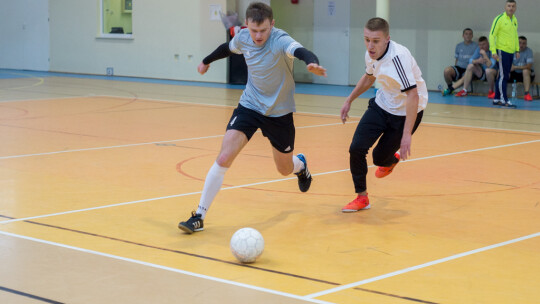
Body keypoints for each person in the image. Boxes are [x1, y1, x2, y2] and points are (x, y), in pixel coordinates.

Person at [178, 2, 327, 233]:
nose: (258, 36)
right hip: (250, 105)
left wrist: (311, 62)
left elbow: (301, 51)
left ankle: (301, 166)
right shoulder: (243, 37)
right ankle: (199, 216)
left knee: (284, 169)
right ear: (246, 25)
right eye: (254, 30)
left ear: (272, 25)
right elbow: (226, 48)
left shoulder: (280, 40)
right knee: (225, 154)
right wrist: (206, 61)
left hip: (279, 113)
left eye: (264, 30)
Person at [340, 17, 427, 212]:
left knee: (379, 158)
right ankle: (362, 198)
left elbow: (412, 95)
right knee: (356, 148)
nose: (370, 46)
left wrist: (407, 135)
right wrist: (349, 100)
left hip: (407, 111)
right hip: (382, 104)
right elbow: (369, 77)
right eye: (367, 39)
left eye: (376, 41)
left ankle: (391, 160)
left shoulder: (398, 58)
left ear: (387, 39)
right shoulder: (370, 55)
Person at [490, 0, 519, 108]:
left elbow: (515, 35)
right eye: (509, 6)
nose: (511, 8)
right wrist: (493, 51)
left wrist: (517, 50)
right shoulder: (499, 19)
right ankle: (504, 99)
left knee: (502, 76)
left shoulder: (514, 19)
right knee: (504, 76)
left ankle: (497, 98)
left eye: (513, 6)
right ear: (505, 7)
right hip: (501, 51)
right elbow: (492, 35)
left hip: (510, 52)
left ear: (515, 8)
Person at [442, 28, 477, 96]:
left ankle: (450, 90)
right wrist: (455, 70)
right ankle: (450, 87)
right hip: (459, 68)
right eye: (466, 34)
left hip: (469, 69)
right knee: (447, 71)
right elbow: (457, 59)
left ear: (472, 36)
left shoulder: (476, 46)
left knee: (466, 75)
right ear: (463, 35)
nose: (468, 36)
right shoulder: (458, 46)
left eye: (470, 34)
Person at [509, 36, 535, 101]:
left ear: (526, 44)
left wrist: (515, 67)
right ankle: (500, 93)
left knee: (525, 71)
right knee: (504, 71)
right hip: (514, 74)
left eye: (524, 43)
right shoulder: (511, 50)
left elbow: (529, 66)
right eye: (520, 43)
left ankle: (526, 94)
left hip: (525, 75)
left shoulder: (529, 51)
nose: (521, 45)